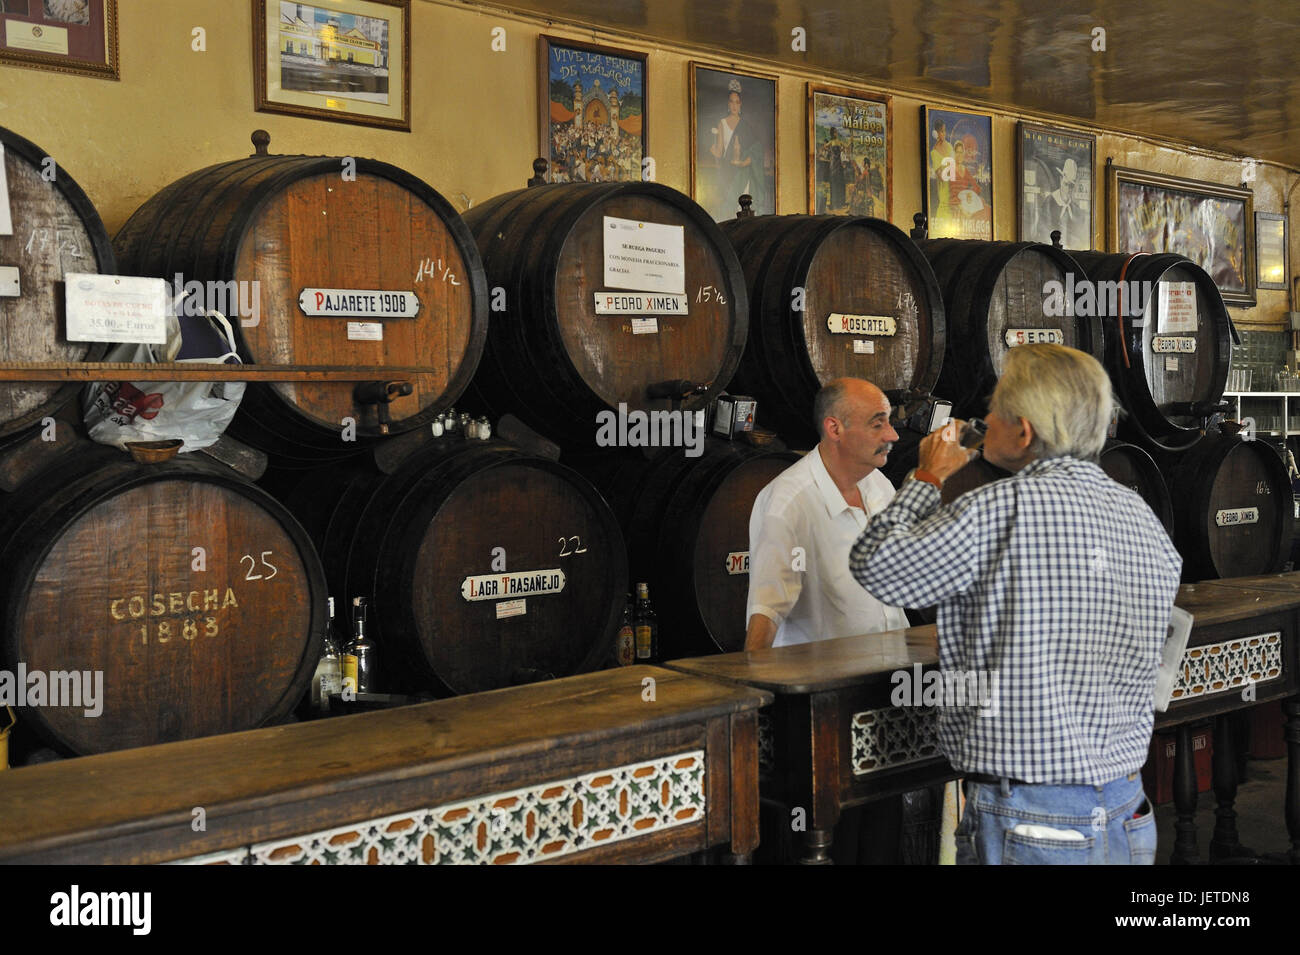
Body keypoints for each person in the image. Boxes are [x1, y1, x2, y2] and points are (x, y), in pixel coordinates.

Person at [848, 344, 1181, 865]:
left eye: (995, 411)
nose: (985, 421)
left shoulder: (999, 510)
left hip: (1034, 818)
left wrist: (928, 478)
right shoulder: (1139, 516)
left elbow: (876, 565)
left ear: (1023, 431)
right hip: (1126, 806)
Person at [744, 378, 908, 652]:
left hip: (891, 673)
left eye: (889, 422)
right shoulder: (788, 504)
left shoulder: (879, 485)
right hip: (826, 688)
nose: (893, 435)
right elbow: (766, 613)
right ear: (835, 428)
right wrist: (757, 688)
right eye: (877, 424)